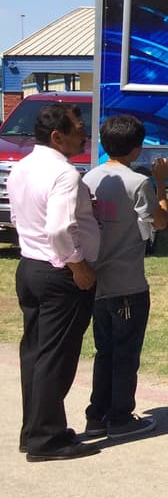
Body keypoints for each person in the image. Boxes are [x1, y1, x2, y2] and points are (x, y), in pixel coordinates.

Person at [11, 101, 100, 461]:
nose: (85, 135)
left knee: (35, 353)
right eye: (79, 129)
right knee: (55, 357)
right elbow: (61, 227)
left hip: (31, 266)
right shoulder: (64, 174)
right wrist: (77, 265)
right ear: (57, 136)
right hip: (58, 272)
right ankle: (46, 440)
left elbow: (19, 215)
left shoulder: (23, 166)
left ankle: (34, 430)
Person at [80, 114, 168, 440]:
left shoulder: (90, 178)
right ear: (137, 149)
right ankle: (120, 417)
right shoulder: (138, 183)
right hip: (128, 284)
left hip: (97, 281)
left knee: (104, 351)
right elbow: (159, 222)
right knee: (126, 352)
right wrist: (161, 182)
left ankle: (97, 414)